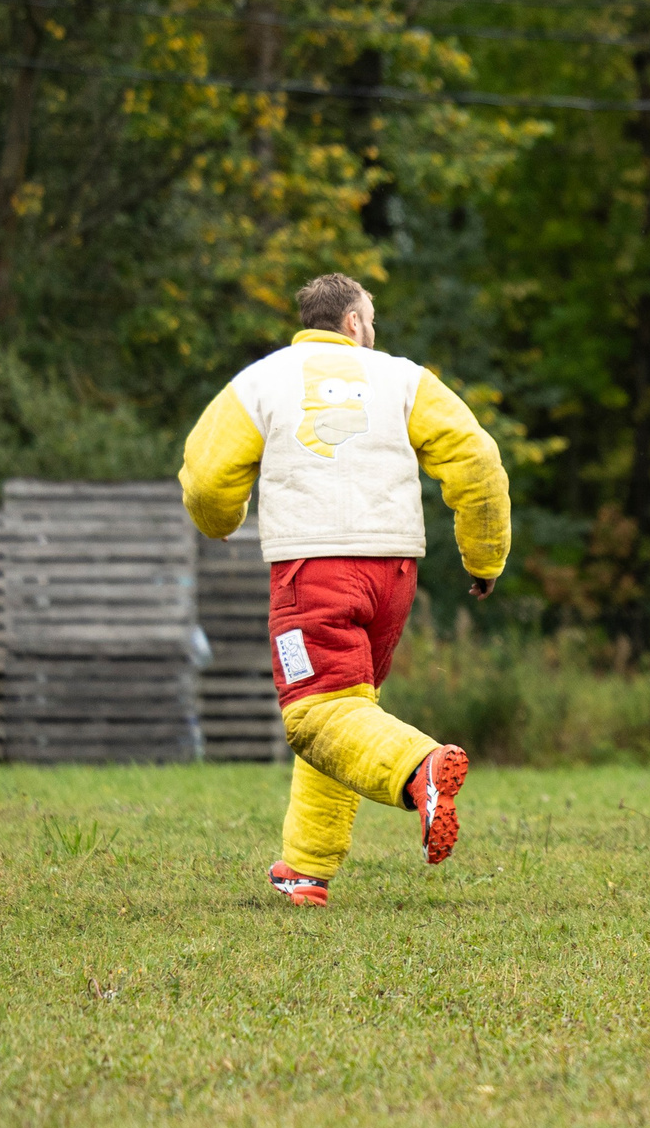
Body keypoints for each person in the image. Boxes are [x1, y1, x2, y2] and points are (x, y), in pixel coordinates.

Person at [178, 273, 511, 907]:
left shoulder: (260, 381)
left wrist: (220, 520)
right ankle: (304, 871)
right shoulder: (406, 379)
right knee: (345, 709)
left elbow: (206, 475)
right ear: (354, 323)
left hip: (314, 572)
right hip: (394, 576)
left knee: (315, 713)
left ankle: (420, 768)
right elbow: (477, 459)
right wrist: (485, 555)